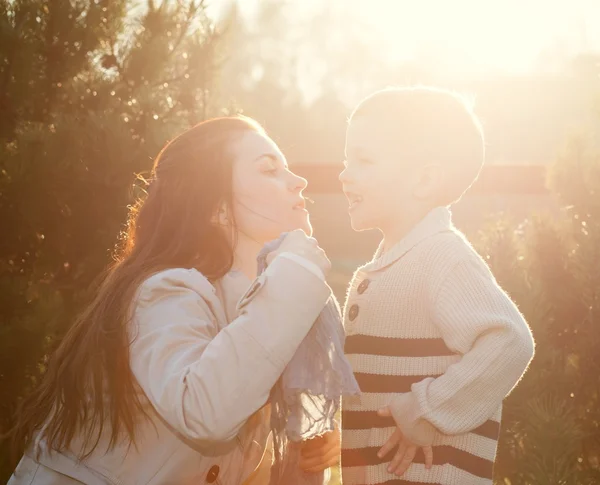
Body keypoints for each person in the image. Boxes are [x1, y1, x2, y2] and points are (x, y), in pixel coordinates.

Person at [7, 116, 340, 485]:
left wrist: (313, 447)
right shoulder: (164, 292)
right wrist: (295, 278)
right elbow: (205, 413)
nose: (300, 181)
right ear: (217, 207)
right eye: (269, 169)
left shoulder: (269, 306)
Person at [339, 86, 535, 485]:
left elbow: (510, 341)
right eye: (346, 160)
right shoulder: (390, 265)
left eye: (363, 160)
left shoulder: (442, 257)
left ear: (424, 179)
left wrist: (427, 411)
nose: (344, 174)